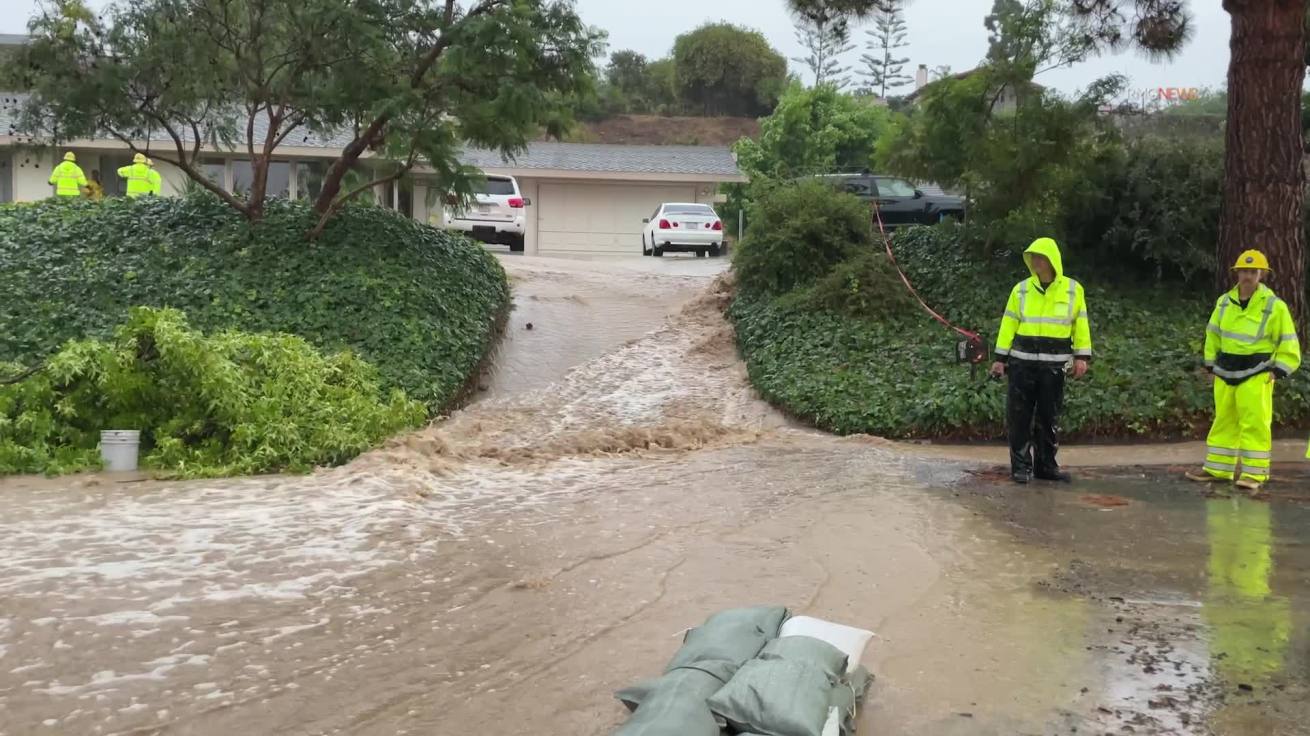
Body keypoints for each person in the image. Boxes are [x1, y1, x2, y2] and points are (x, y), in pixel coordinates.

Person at [1186, 250, 1300, 492]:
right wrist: (1210, 364)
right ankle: (1218, 469)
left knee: (1255, 423)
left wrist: (1277, 371)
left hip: (1257, 372)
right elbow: (1213, 334)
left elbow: (1288, 342)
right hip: (1225, 371)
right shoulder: (1224, 302)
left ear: (1261, 275)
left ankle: (1254, 474)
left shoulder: (1274, 306)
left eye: (1253, 271)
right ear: (1236, 273)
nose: (1248, 276)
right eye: (1244, 271)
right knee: (1224, 420)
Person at [989, 237, 1092, 484]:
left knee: (1049, 417)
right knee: (1019, 417)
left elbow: (1081, 324)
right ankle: (1021, 467)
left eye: (1039, 256)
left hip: (1054, 366)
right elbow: (1008, 324)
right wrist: (1000, 359)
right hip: (1021, 364)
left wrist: (1082, 356)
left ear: (1051, 260)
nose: (1034, 261)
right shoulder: (1021, 289)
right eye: (1032, 256)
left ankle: (1046, 466)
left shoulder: (1073, 289)